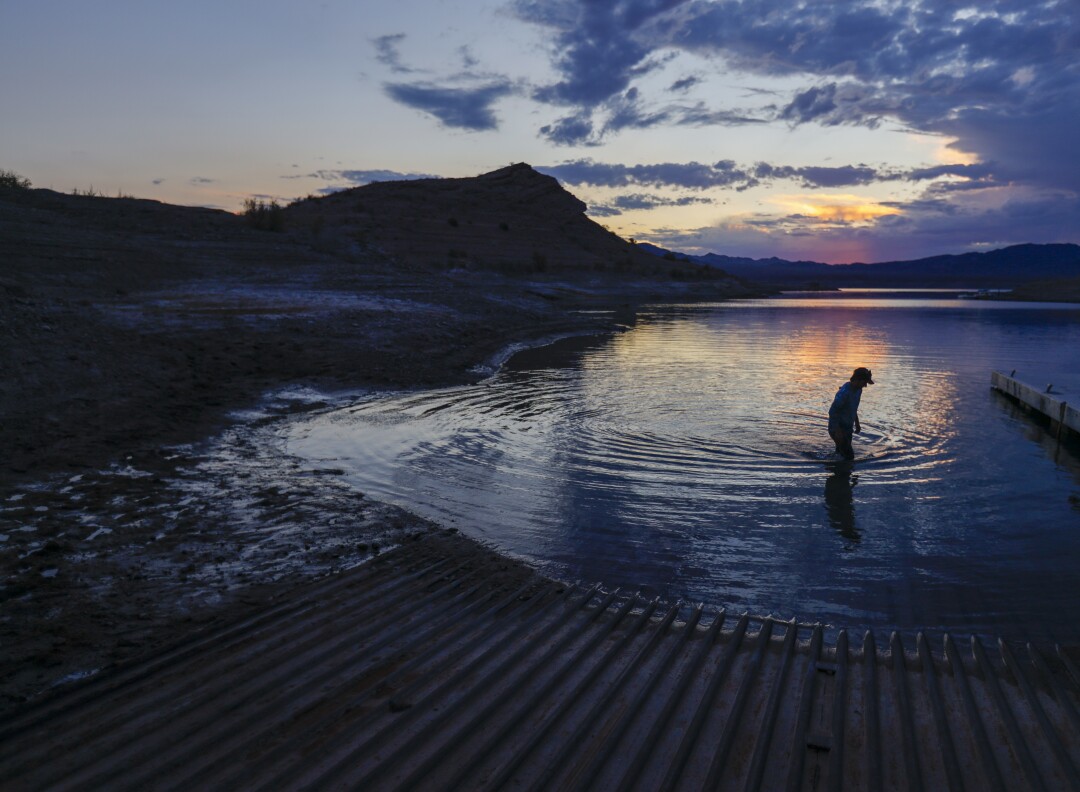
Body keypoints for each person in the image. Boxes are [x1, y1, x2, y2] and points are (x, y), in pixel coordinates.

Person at [828, 367, 874, 460]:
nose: (865, 385)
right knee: (849, 457)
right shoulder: (844, 392)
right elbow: (832, 411)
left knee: (840, 454)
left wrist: (857, 423)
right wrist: (837, 431)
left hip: (848, 428)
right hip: (837, 428)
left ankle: (835, 470)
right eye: (864, 382)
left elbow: (853, 408)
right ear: (857, 379)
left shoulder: (858, 390)